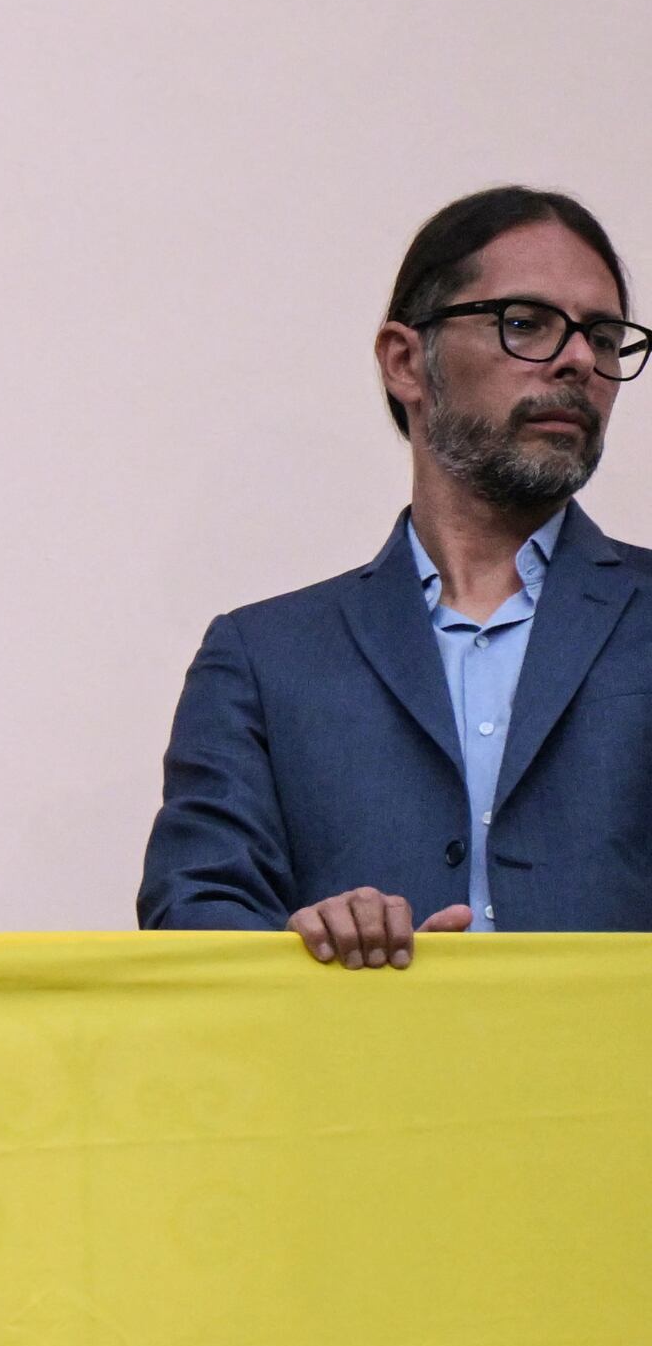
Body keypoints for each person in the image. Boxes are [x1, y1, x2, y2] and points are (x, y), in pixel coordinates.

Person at [142, 186, 652, 967]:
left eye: (606, 336)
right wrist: (306, 944)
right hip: (354, 1080)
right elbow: (194, 913)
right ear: (405, 360)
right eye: (526, 324)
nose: (580, 359)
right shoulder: (264, 658)